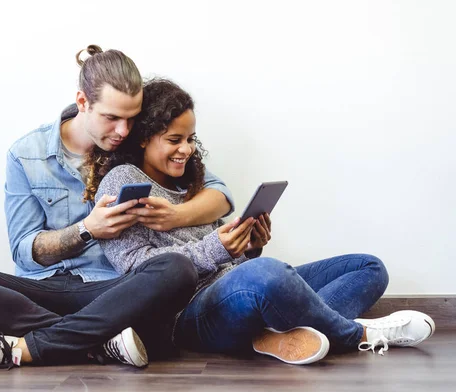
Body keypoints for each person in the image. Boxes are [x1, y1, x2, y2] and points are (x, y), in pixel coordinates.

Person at [0, 45, 237, 369]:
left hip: (115, 292)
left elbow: (218, 193)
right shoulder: (26, 154)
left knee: (175, 269)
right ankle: (98, 343)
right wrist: (88, 230)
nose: (123, 130)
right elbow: (25, 249)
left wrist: (175, 215)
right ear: (83, 102)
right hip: (41, 290)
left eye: (130, 118)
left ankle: (31, 346)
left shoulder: (135, 140)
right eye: (112, 118)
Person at [86, 78, 436, 365]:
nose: (186, 150)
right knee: (267, 274)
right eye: (174, 140)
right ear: (144, 138)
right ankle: (358, 334)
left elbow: (225, 258)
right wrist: (223, 251)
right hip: (188, 313)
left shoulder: (189, 181)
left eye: (191, 139)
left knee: (368, 267)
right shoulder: (123, 181)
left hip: (234, 287)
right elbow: (137, 272)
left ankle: (285, 333)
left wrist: (250, 248)